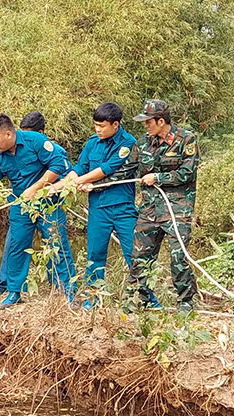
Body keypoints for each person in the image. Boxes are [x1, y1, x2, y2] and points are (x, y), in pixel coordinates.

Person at [0, 114, 76, 310]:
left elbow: (59, 166)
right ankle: (14, 292)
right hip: (21, 207)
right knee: (16, 248)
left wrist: (36, 188)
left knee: (57, 246)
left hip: (48, 204)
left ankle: (67, 293)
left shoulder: (35, 141)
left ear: (9, 134)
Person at [52, 102, 145, 309]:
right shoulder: (92, 143)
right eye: (95, 125)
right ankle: (92, 300)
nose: (97, 129)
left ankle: (144, 300)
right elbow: (79, 168)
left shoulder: (128, 143)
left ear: (115, 125)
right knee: (95, 255)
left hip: (122, 208)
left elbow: (106, 169)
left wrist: (77, 182)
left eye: (102, 126)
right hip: (98, 209)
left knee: (133, 254)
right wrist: (60, 185)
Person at [122, 99, 200, 312]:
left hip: (177, 209)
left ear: (161, 121)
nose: (146, 126)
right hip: (149, 209)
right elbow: (125, 169)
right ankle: (137, 301)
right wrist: (93, 184)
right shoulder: (142, 143)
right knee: (139, 256)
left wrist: (158, 177)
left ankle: (185, 302)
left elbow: (187, 172)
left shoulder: (186, 139)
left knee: (178, 257)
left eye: (149, 122)